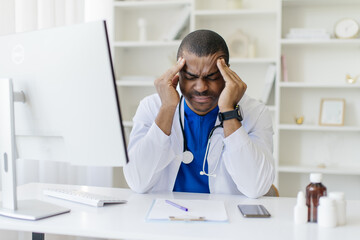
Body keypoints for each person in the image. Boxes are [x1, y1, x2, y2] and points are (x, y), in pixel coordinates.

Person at [123, 29, 274, 198]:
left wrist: (229, 112)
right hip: (167, 216)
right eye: (190, 76)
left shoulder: (256, 113)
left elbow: (256, 188)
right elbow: (137, 182)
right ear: (177, 73)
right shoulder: (151, 107)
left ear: (227, 73)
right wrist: (167, 108)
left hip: (229, 219)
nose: (201, 87)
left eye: (211, 77)